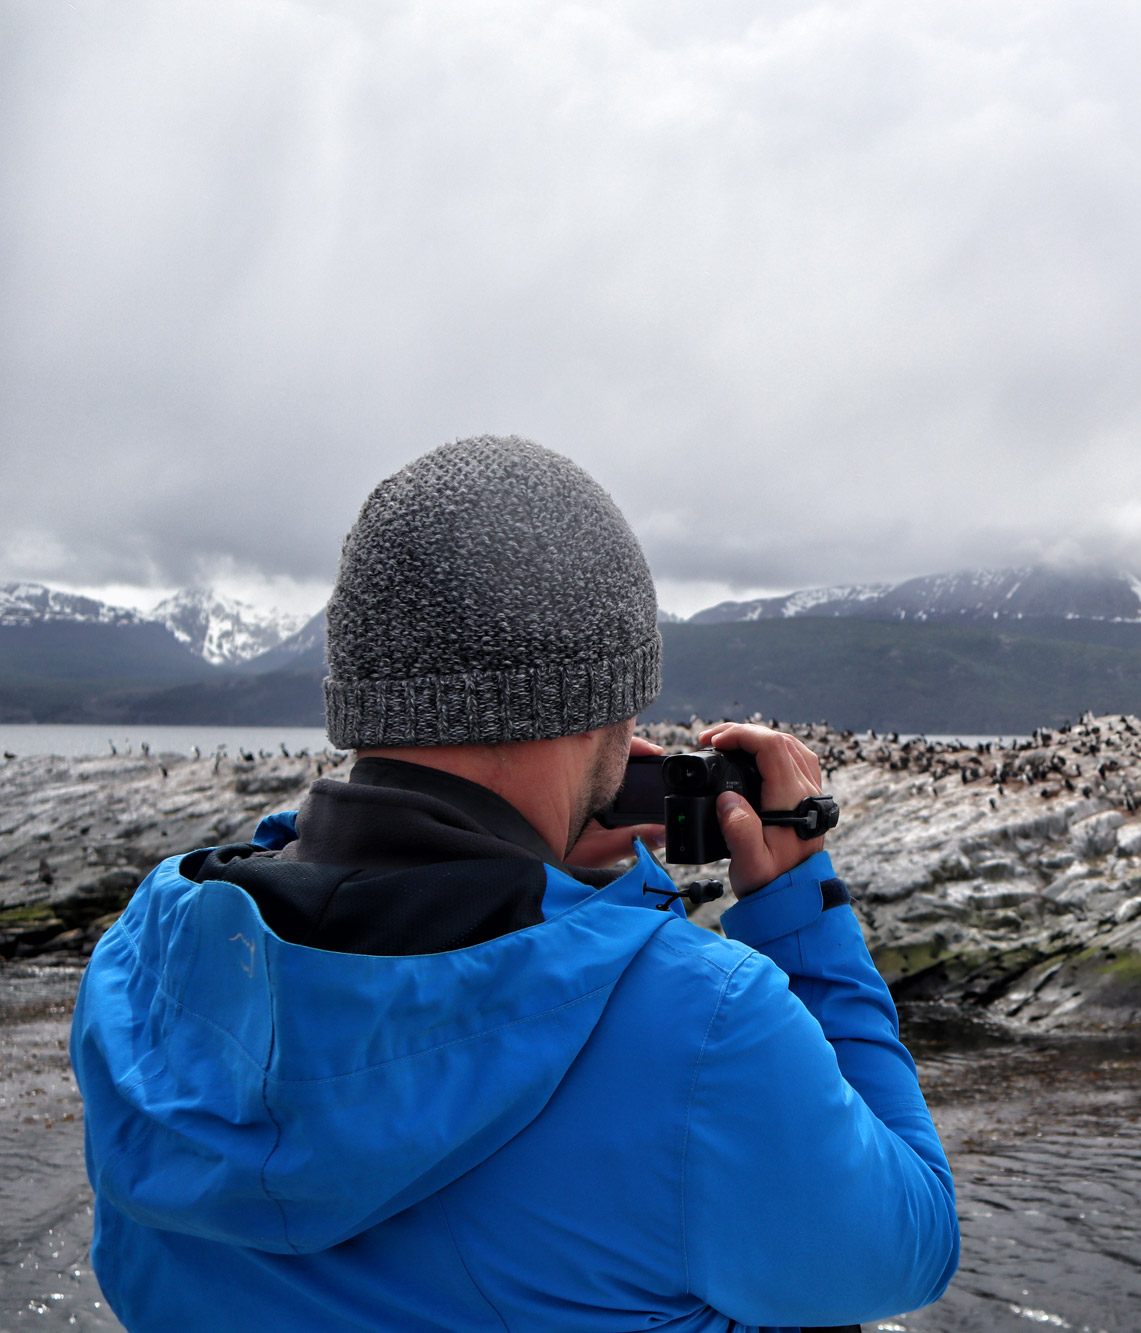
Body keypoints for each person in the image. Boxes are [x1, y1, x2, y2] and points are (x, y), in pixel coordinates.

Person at [70, 436, 959, 1331]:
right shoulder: (702, 1027)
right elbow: (911, 1244)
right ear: (598, 701)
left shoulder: (148, 961)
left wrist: (538, 875)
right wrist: (804, 911)